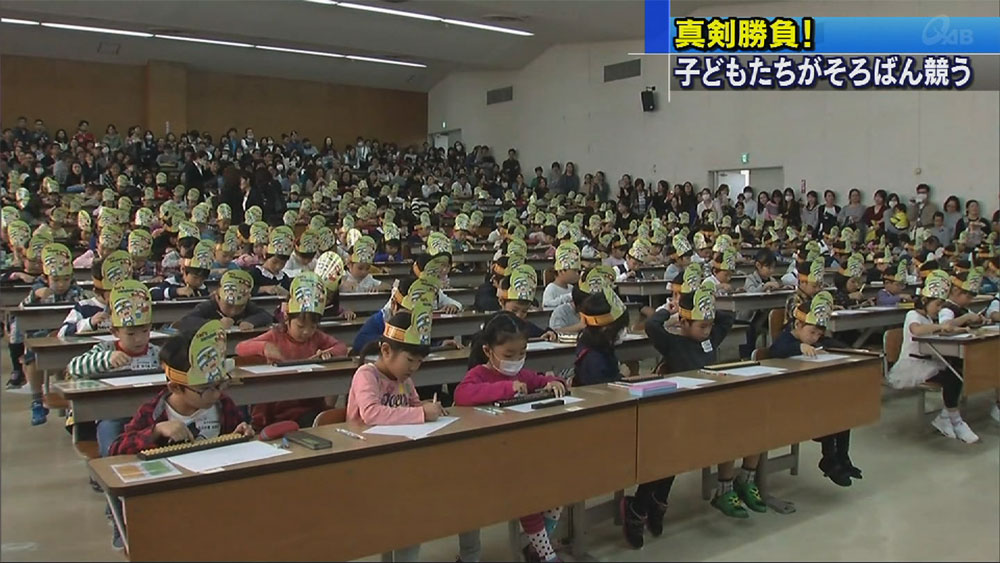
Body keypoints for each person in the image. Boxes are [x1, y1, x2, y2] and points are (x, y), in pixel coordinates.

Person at [453, 311, 566, 562]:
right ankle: (545, 554)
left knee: (558, 491)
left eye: (522, 353)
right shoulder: (479, 374)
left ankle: (536, 545)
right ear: (487, 350)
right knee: (526, 495)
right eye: (508, 355)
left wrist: (553, 381)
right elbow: (462, 395)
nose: (516, 360)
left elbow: (539, 379)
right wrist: (506, 387)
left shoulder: (521, 374)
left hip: (521, 451)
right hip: (488, 457)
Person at [770, 291, 860, 485]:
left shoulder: (817, 342)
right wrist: (799, 348)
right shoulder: (786, 339)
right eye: (812, 333)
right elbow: (776, 350)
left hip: (811, 391)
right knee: (830, 408)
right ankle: (829, 458)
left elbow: (834, 345)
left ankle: (842, 456)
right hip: (788, 396)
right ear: (797, 325)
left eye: (819, 334)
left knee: (844, 408)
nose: (815, 338)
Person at [236, 273, 348, 430]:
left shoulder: (316, 337)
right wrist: (264, 347)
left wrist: (328, 353)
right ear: (287, 319)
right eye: (300, 327)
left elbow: (341, 347)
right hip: (275, 406)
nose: (306, 332)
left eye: (313, 327)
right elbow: (240, 348)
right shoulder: (276, 335)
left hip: (308, 401)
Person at [886, 271, 980, 443]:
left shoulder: (929, 318)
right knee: (952, 377)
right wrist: (939, 327)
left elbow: (940, 329)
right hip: (914, 364)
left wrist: (959, 329)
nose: (939, 309)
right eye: (937, 305)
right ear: (925, 301)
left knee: (958, 370)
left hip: (930, 361)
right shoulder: (913, 315)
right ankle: (955, 420)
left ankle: (946, 417)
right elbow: (917, 330)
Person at [15, 242, 89, 424]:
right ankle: (36, 400)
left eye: (65, 279)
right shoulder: (37, 290)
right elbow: (20, 312)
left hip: (69, 335)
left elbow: (86, 308)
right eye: (56, 280)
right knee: (32, 358)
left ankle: (74, 404)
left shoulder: (77, 292)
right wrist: (35, 296)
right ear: (46, 277)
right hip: (42, 337)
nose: (61, 284)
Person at [175, 270, 273, 334]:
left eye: (239, 307)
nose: (233, 311)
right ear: (217, 298)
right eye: (229, 306)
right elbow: (186, 321)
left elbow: (266, 316)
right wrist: (216, 324)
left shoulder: (248, 306)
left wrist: (251, 322)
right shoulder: (209, 306)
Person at [497, 265, 557, 341]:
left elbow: (542, 333)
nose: (519, 315)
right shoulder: (493, 328)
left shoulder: (526, 327)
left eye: (524, 311)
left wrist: (549, 333)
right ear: (501, 302)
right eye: (514, 311)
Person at [251, 227, 294, 296]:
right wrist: (264, 289)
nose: (278, 266)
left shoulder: (284, 278)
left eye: (283, 264)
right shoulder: (255, 273)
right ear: (266, 257)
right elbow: (246, 290)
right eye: (274, 262)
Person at [542, 242, 581, 308]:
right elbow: (547, 304)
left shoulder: (571, 288)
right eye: (574, 270)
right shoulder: (551, 288)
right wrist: (568, 297)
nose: (577, 274)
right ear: (561, 271)